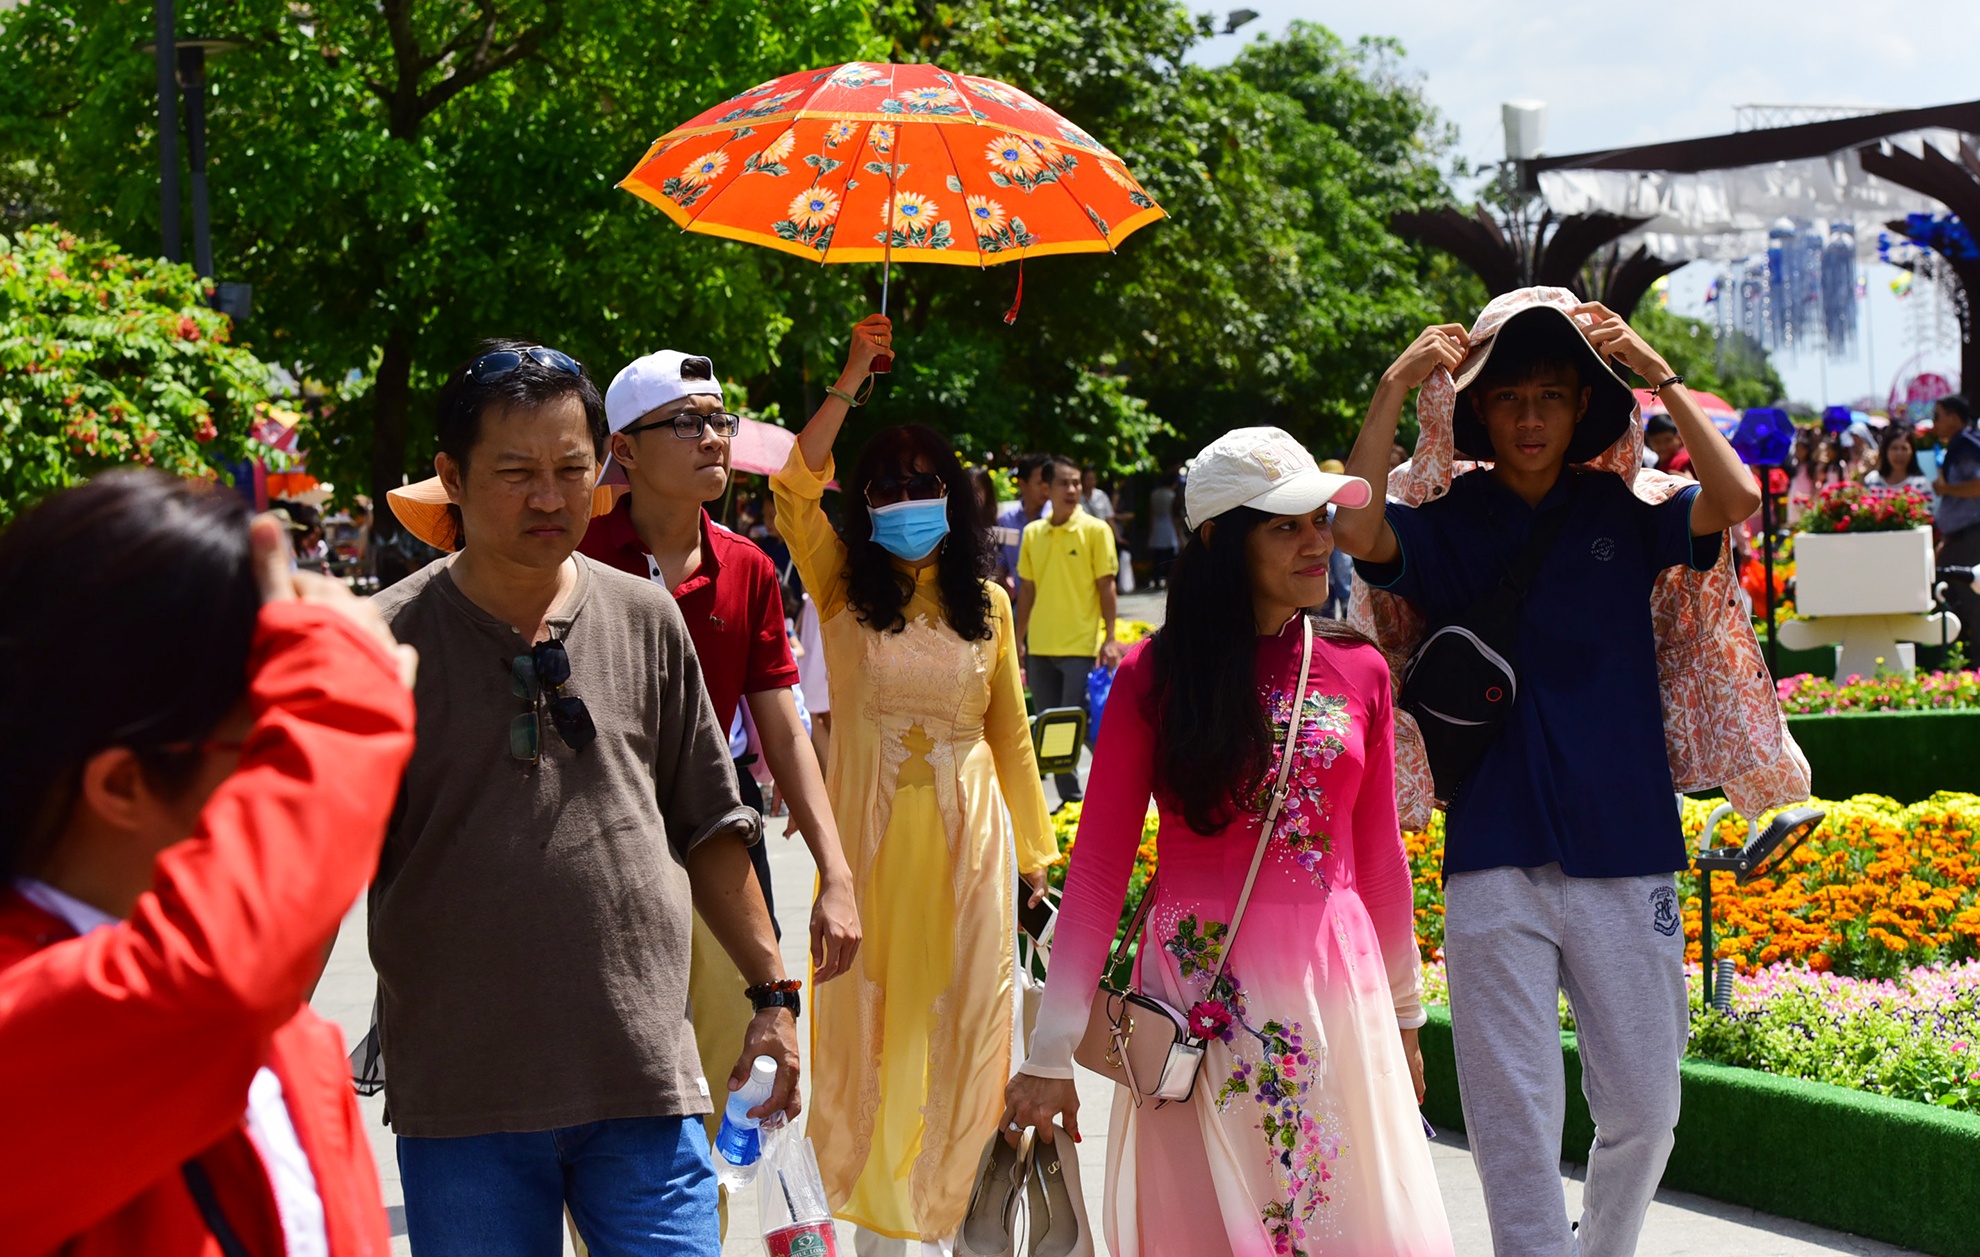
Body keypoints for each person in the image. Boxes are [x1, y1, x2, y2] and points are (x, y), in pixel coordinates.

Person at [1332, 295, 1758, 1257]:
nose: (1529, 417)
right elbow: (1354, 529)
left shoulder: (1624, 513)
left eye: (1552, 396)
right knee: (1513, 1116)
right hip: (1493, 849)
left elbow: (1735, 500)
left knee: (1647, 1106)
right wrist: (1396, 382)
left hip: (1628, 846)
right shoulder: (1448, 522)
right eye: (1509, 397)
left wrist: (1658, 374)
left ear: (1582, 409)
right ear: (1477, 413)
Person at [373, 342, 799, 1257]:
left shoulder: (647, 619)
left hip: (642, 1080)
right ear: (452, 475)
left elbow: (711, 824)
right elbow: (319, 869)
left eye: (572, 469)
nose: (549, 497)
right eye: (515, 472)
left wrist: (775, 996)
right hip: (463, 1099)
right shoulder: (383, 644)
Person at [1005, 428, 1452, 1256]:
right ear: (1219, 540)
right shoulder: (1153, 676)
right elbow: (1098, 872)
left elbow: (1381, 858)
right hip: (1195, 1011)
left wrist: (1404, 1017)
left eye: (1320, 520)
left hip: (1335, 996)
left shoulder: (1360, 668)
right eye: (1287, 526)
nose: (1318, 542)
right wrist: (1049, 1052)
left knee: (1341, 1225)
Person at [0, 473, 417, 1254]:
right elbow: (206, 986)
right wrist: (344, 700)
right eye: (271, 745)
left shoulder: (286, 1032)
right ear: (122, 783)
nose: (291, 781)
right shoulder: (40, 1022)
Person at [771, 314, 1057, 1251]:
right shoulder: (840, 587)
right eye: (886, 485)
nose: (905, 498)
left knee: (968, 1035)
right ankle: (877, 1235)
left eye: (922, 483)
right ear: (864, 502)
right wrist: (852, 373)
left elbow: (1011, 738)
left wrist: (1037, 856)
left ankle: (950, 1223)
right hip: (869, 856)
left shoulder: (990, 606)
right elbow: (790, 486)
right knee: (875, 1037)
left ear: (952, 496)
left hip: (973, 855)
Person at [575, 347, 863, 1172]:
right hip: (598, 831)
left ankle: (702, 1219)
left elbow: (783, 727)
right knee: (608, 1084)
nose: (713, 438)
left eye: (718, 421)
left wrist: (836, 871)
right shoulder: (573, 559)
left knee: (737, 1069)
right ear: (624, 449)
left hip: (719, 828)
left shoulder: (749, 568)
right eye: (686, 422)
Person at [1016, 455, 1124, 807]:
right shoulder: (1033, 533)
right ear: (1046, 488)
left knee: (1079, 722)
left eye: (1076, 482)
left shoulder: (1096, 530)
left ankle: (1121, 785)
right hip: (1040, 647)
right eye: (1064, 483)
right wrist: (1017, 639)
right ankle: (1071, 803)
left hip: (1079, 646)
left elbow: (1107, 587)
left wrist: (1110, 638)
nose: (1073, 489)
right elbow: (1027, 590)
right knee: (1052, 733)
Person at [1931, 394, 1980, 648]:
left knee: (1971, 603)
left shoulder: (1968, 446)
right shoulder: (1959, 444)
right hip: (1959, 538)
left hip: (1970, 537)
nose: (1934, 423)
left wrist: (1947, 488)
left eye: (1937, 416)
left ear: (1953, 417)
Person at [995, 454, 1051, 590]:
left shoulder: (1056, 520)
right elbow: (1001, 563)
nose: (1046, 488)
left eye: (1048, 482)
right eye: (1040, 483)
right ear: (1022, 484)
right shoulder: (1007, 521)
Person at [1865, 423, 1930, 492]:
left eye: (1904, 448)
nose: (1899, 454)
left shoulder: (1920, 484)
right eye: (1894, 448)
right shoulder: (1872, 480)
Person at [1145, 468, 1180, 588]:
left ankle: (1156, 579)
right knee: (1170, 554)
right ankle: (1169, 578)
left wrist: (1151, 528)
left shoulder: (1154, 494)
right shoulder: (1172, 495)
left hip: (1157, 524)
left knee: (1157, 555)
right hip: (1168, 524)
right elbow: (1173, 514)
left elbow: (1151, 512)